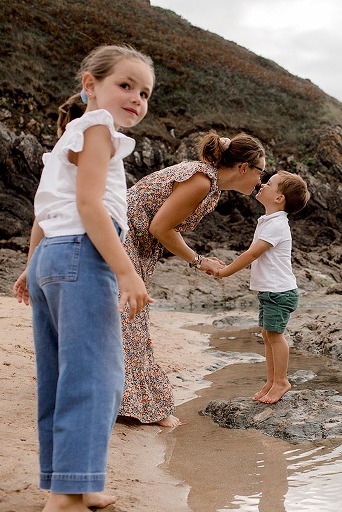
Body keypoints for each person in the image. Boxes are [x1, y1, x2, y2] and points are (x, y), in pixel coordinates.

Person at [13, 45, 155, 512]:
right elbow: (90, 206)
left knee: (61, 375)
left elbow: (43, 210)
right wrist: (127, 271)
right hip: (82, 256)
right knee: (96, 376)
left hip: (53, 256)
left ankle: (76, 482)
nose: (137, 97)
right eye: (126, 85)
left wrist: (30, 265)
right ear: (90, 85)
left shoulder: (69, 137)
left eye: (145, 93)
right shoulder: (98, 129)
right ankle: (66, 496)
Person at [118, 131, 266, 427]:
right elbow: (161, 227)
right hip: (121, 235)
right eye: (261, 171)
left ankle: (117, 398)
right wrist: (199, 261)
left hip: (130, 237)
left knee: (122, 315)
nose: (261, 180)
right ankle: (135, 407)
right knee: (130, 316)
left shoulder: (209, 183)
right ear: (243, 168)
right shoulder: (202, 180)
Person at [203, 170, 310, 404]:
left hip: (280, 292)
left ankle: (281, 381)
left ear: (279, 198)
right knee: (267, 335)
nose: (262, 183)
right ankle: (272, 380)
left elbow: (252, 254)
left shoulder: (278, 224)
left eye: (269, 183)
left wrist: (225, 271)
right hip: (271, 292)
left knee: (275, 336)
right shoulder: (268, 220)